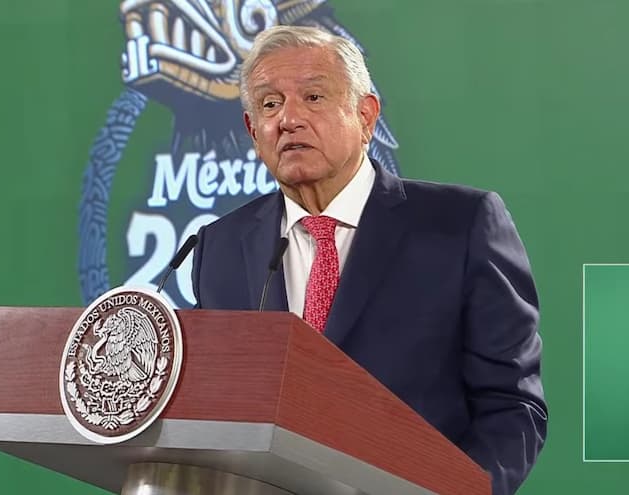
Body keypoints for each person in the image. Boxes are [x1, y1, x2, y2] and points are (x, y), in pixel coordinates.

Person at [190, 25, 547, 493]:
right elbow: (216, 411)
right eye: (270, 104)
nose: (289, 119)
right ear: (253, 131)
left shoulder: (461, 225)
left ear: (366, 115)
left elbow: (512, 406)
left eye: (313, 97)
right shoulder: (219, 247)